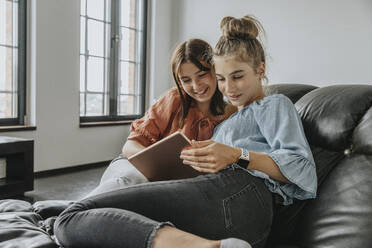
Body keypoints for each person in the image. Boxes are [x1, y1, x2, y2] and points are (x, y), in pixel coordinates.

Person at [55, 15, 317, 248]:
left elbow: (303, 170)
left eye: (238, 76)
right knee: (73, 222)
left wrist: (237, 155)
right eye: (222, 79)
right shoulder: (227, 120)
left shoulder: (274, 104)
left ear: (260, 69)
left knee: (71, 218)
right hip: (219, 207)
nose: (229, 88)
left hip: (243, 196)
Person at [85, 39, 236, 198]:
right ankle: (70, 213)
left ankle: (68, 213)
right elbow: (130, 146)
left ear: (215, 70)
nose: (196, 86)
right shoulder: (174, 99)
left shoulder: (232, 114)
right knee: (133, 181)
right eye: (186, 80)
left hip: (181, 185)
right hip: (134, 167)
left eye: (202, 75)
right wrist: (156, 167)